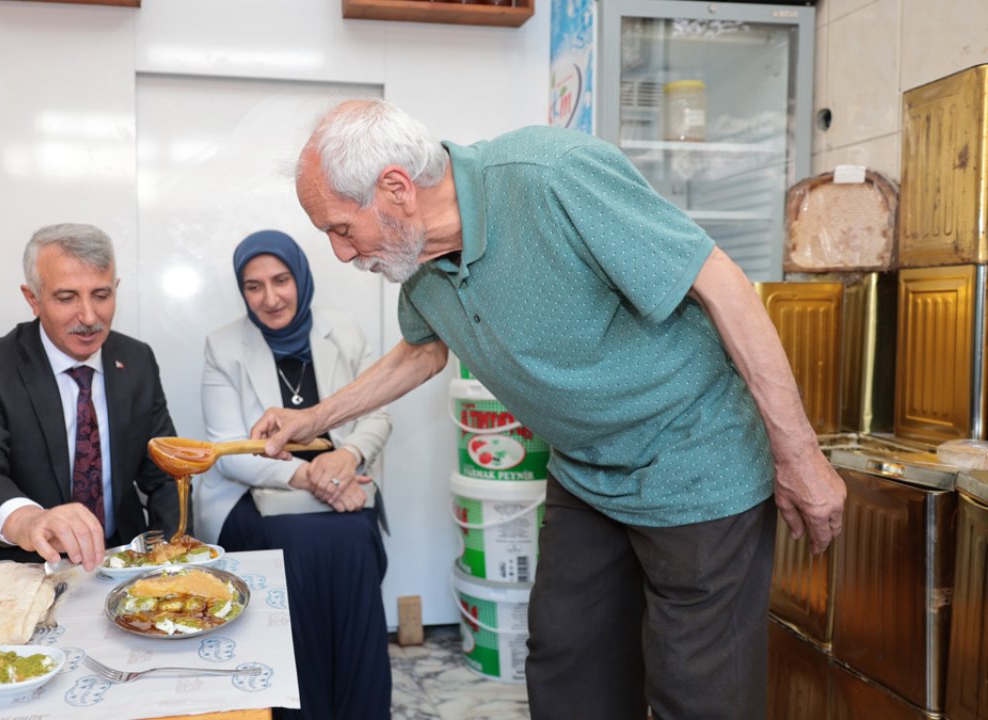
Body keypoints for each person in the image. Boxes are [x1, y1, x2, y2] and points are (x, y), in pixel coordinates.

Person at [251, 99, 848, 720]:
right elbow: (423, 351)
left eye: (341, 229)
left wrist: (800, 455)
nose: (341, 254)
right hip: (587, 473)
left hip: (696, 459)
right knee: (568, 664)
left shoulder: (551, 176)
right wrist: (313, 419)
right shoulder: (417, 256)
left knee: (698, 691)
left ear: (396, 189)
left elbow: (722, 285)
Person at [197, 229, 392, 720]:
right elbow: (229, 452)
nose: (270, 298)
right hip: (254, 493)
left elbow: (378, 416)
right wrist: (313, 478)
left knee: (352, 539)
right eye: (254, 286)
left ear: (300, 278)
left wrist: (346, 459)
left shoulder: (344, 331)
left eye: (281, 280)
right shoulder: (224, 346)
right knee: (295, 544)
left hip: (344, 483)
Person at [0, 223, 184, 571]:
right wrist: (27, 520)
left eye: (101, 295)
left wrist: (169, 557)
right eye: (66, 298)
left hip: (115, 560)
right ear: (32, 298)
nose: (89, 317)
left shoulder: (137, 360)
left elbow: (165, 471)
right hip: (17, 565)